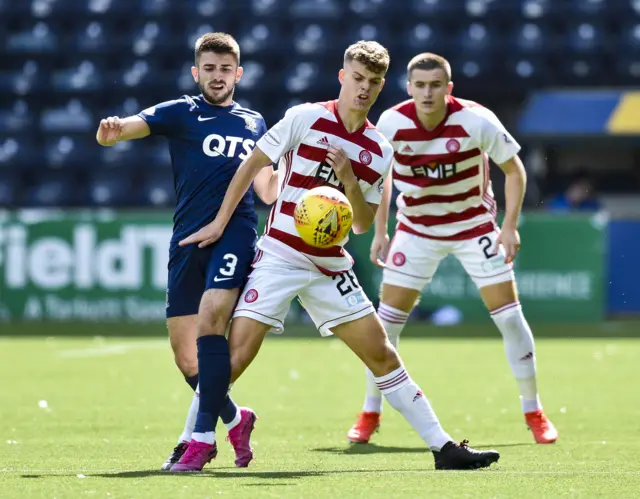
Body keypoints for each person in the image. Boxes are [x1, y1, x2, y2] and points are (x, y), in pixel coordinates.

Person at [172, 41, 500, 472]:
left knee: (383, 354)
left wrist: (347, 176)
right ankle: (187, 442)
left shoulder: (380, 150)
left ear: (382, 87)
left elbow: (361, 223)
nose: (364, 89)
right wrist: (219, 223)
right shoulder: (305, 118)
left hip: (330, 266)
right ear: (343, 77)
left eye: (374, 82)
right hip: (280, 257)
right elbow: (251, 165)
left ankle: (443, 448)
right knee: (232, 360)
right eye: (358, 79)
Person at [346, 53, 558, 446]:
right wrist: (381, 230)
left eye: (435, 85)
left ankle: (534, 410)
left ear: (449, 88)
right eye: (420, 85)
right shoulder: (391, 123)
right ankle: (369, 412)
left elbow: (515, 170)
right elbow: (382, 176)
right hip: (416, 229)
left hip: (473, 225)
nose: (428, 93)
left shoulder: (476, 119)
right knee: (385, 325)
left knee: (510, 318)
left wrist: (509, 226)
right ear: (409, 88)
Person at [95, 32, 279, 470]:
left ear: (239, 73)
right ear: (197, 73)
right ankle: (236, 418)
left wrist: (307, 176)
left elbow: (268, 190)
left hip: (234, 233)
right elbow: (131, 126)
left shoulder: (254, 123)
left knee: (212, 320)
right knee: (186, 357)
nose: (218, 77)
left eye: (225, 69)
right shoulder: (182, 111)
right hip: (186, 239)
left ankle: (200, 439)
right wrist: (112, 133)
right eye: (209, 69)